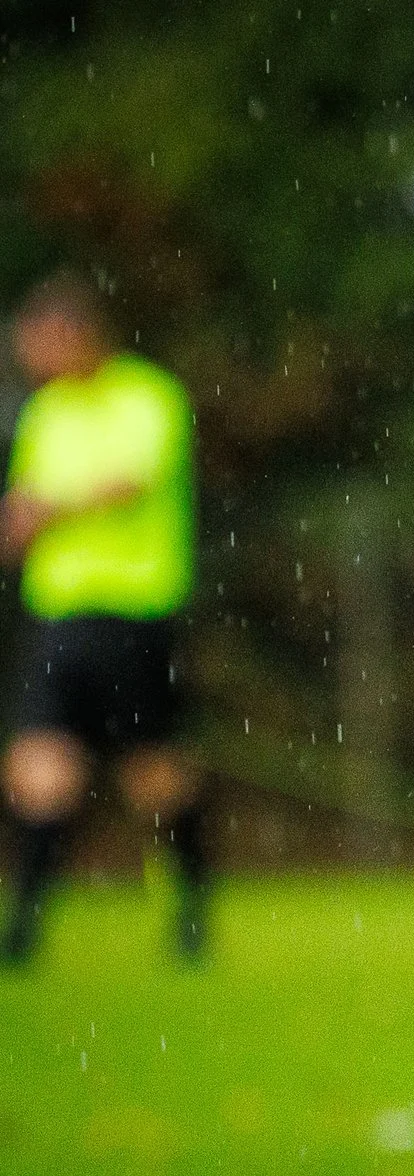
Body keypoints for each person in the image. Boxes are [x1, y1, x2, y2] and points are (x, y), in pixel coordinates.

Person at [1, 271, 209, 964]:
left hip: (133, 614)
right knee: (38, 763)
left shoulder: (146, 395)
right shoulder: (45, 412)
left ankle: (190, 909)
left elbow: (131, 481)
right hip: (59, 615)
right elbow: (25, 501)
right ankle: (25, 928)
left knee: (152, 772)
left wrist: (48, 511)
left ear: (76, 334)